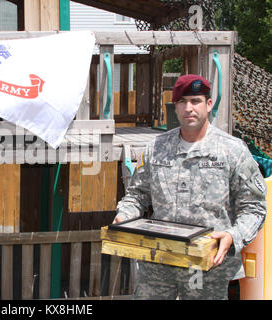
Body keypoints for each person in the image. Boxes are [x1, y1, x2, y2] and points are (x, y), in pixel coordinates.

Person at [113, 74, 267, 300]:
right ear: (175, 107)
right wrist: (124, 215)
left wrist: (234, 236)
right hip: (159, 265)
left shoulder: (232, 151)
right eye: (182, 102)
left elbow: (254, 208)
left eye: (195, 101)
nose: (189, 108)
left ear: (209, 104)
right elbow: (137, 195)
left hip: (208, 268)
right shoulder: (157, 148)